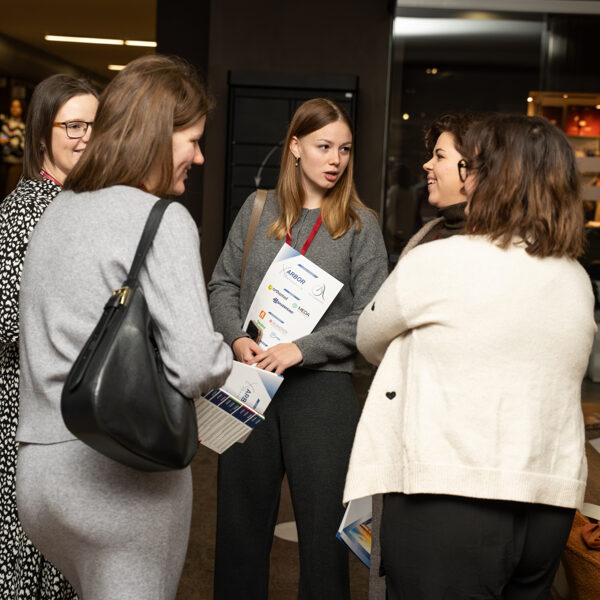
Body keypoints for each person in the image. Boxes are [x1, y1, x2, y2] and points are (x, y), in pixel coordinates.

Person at [344, 113, 597, 600]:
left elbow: (369, 338)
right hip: (548, 505)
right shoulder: (575, 280)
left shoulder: (438, 260)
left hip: (451, 500)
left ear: (495, 178)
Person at [16, 55, 232, 600]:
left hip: (39, 476)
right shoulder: (162, 219)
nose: (200, 157)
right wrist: (227, 356)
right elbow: (195, 364)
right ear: (157, 135)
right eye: (193, 140)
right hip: (118, 479)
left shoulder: (57, 211)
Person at [208, 97, 389, 599]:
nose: (336, 160)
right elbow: (222, 284)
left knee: (323, 539)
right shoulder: (258, 209)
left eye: (345, 149)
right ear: (295, 146)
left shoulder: (359, 225)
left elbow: (372, 317)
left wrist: (302, 349)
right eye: (324, 146)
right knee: (238, 532)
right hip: (249, 382)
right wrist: (237, 337)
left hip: (322, 396)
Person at [369, 112, 480, 599]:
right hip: (410, 436)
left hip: (454, 453)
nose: (426, 166)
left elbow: (376, 331)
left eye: (439, 156)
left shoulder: (489, 248)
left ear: (472, 168)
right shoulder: (431, 232)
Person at [0, 73, 98, 600]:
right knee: (32, 560)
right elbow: (6, 321)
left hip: (76, 415)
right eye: (74, 126)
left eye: (95, 125)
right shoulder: (23, 213)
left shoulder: (87, 205)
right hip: (30, 415)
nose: (86, 137)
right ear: (43, 134)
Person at [0, 98, 26, 196]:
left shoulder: (24, 125)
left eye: (17, 107)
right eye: (13, 106)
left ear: (22, 109)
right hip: (3, 161)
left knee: (9, 190)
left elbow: (24, 147)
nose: (14, 109)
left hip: (16, 164)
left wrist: (11, 142)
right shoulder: (4, 123)